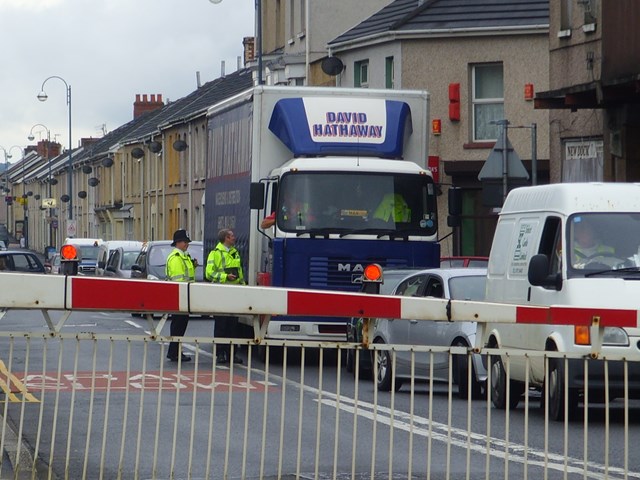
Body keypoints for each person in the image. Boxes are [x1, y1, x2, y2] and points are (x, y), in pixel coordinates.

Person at [206, 228, 245, 364]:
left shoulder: (235, 253)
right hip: (221, 293)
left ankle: (232, 354)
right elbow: (209, 274)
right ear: (226, 238)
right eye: (232, 236)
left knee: (233, 326)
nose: (234, 238)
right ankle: (220, 354)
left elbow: (240, 274)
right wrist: (225, 276)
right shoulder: (215, 254)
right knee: (221, 326)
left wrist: (244, 288)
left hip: (234, 294)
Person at [165, 229, 197, 362]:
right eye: (185, 242)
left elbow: (186, 276)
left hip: (184, 297)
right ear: (178, 243)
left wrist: (193, 267)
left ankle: (175, 351)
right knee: (178, 326)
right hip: (180, 296)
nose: (187, 244)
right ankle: (174, 352)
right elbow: (179, 280)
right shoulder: (176, 258)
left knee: (179, 326)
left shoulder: (184, 256)